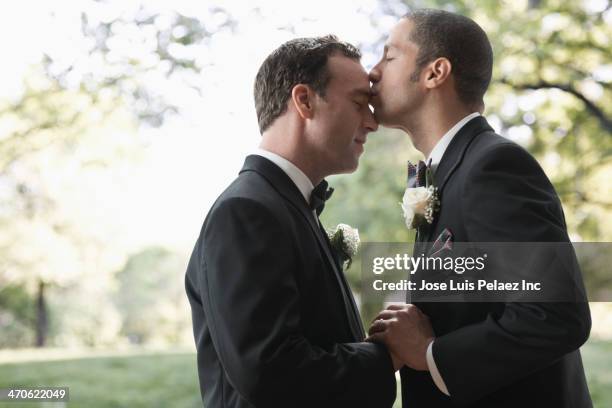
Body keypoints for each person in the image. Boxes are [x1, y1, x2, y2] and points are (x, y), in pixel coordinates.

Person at [366, 9, 592, 407]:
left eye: (389, 56)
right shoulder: (451, 170)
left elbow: (555, 316)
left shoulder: (493, 166)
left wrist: (431, 354)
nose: (372, 72)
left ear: (435, 73)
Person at [185, 35, 398, 408]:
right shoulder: (246, 212)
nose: (372, 122)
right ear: (304, 101)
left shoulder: (284, 205)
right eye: (359, 102)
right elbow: (271, 372)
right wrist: (388, 355)